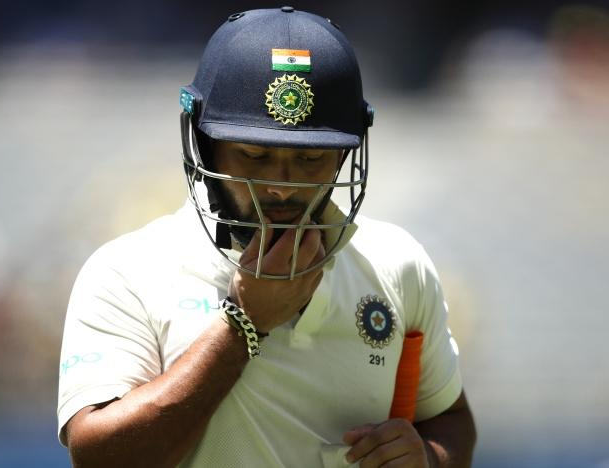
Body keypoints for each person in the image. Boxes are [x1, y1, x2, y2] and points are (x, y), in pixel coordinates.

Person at [57, 6, 476, 467]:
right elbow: (97, 457)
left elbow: (450, 420)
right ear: (203, 141)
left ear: (343, 155)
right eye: (254, 155)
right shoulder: (127, 271)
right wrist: (244, 327)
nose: (282, 184)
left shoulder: (397, 264)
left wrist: (428, 458)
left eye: (310, 159)